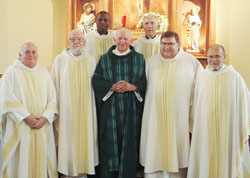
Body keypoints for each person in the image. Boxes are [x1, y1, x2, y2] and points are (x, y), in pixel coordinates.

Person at [140, 31, 203, 178]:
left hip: (179, 118)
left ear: (179, 44)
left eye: (170, 44)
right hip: (154, 117)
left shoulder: (191, 62)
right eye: (163, 44)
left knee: (178, 153)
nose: (166, 47)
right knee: (154, 150)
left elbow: (202, 88)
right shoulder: (150, 62)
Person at [187, 44, 250, 178]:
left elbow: (245, 103)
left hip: (228, 131)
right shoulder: (202, 77)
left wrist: (243, 128)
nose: (213, 60)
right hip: (205, 130)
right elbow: (196, 105)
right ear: (207, 57)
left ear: (224, 57)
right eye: (210, 56)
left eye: (217, 56)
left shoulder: (234, 77)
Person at [92, 28, 147, 178]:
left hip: (132, 108)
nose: (122, 41)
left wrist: (133, 87)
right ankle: (110, 173)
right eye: (119, 39)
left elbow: (144, 81)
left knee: (131, 140)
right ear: (114, 40)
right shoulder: (104, 58)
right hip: (111, 108)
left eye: (126, 39)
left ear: (131, 41)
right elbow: (96, 80)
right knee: (110, 142)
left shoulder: (139, 58)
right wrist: (111, 86)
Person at [0, 42, 58, 178]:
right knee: (21, 163)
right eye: (27, 52)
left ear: (37, 55)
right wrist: (26, 116)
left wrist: (44, 118)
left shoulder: (44, 73)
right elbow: (7, 98)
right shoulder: (11, 72)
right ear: (20, 55)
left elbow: (53, 99)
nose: (31, 55)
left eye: (33, 52)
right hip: (20, 126)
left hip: (42, 127)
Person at [51, 29, 98, 178]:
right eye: (72, 39)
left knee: (85, 137)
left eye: (79, 39)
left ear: (84, 42)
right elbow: (53, 85)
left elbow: (96, 86)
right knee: (67, 138)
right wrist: (55, 108)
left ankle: (83, 171)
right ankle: (67, 171)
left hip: (86, 109)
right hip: (66, 109)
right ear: (68, 42)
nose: (76, 42)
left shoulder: (91, 60)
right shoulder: (60, 60)